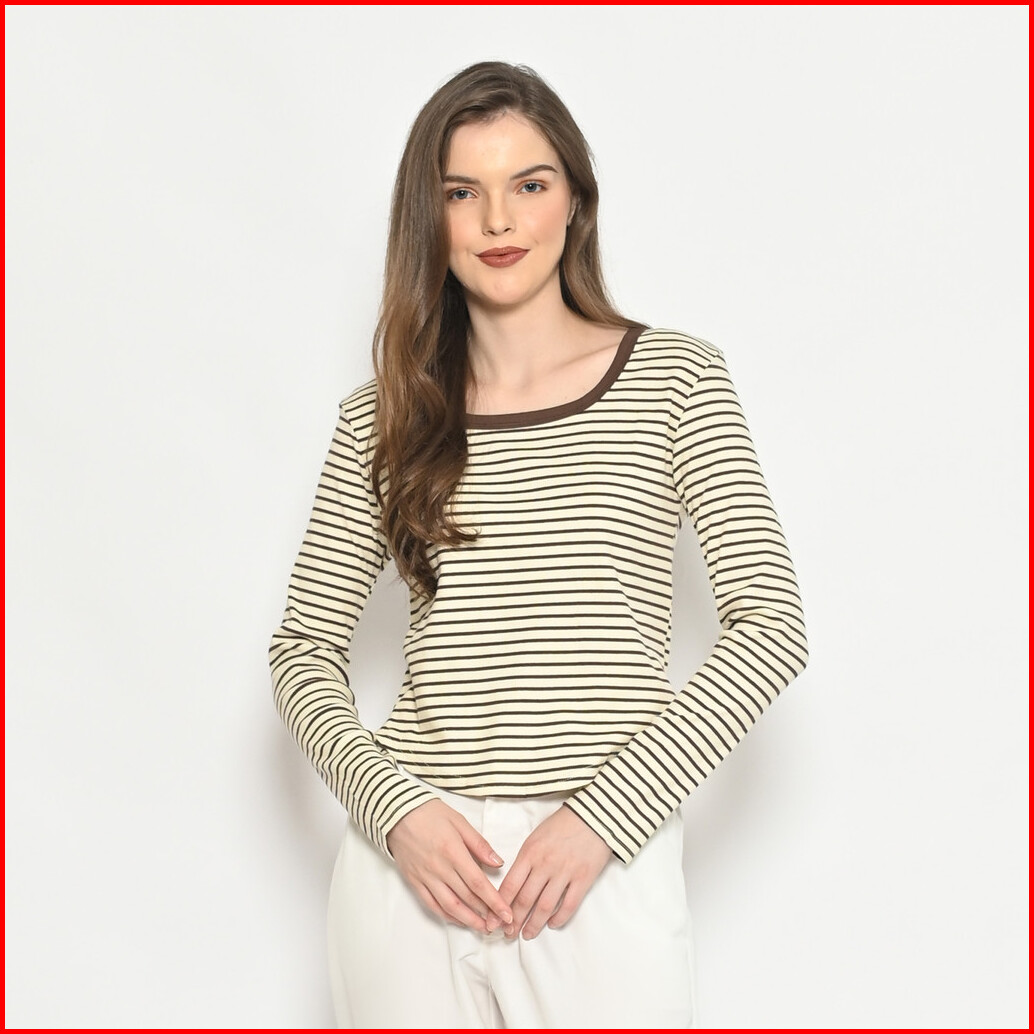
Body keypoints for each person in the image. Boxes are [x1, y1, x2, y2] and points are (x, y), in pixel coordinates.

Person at [269, 60, 808, 1029]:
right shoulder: (383, 418)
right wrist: (393, 808)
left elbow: (769, 626)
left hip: (595, 864)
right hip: (412, 866)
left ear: (575, 202)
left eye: (528, 184)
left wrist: (605, 815)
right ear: (428, 219)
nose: (496, 220)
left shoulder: (676, 380)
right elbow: (302, 650)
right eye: (460, 193)